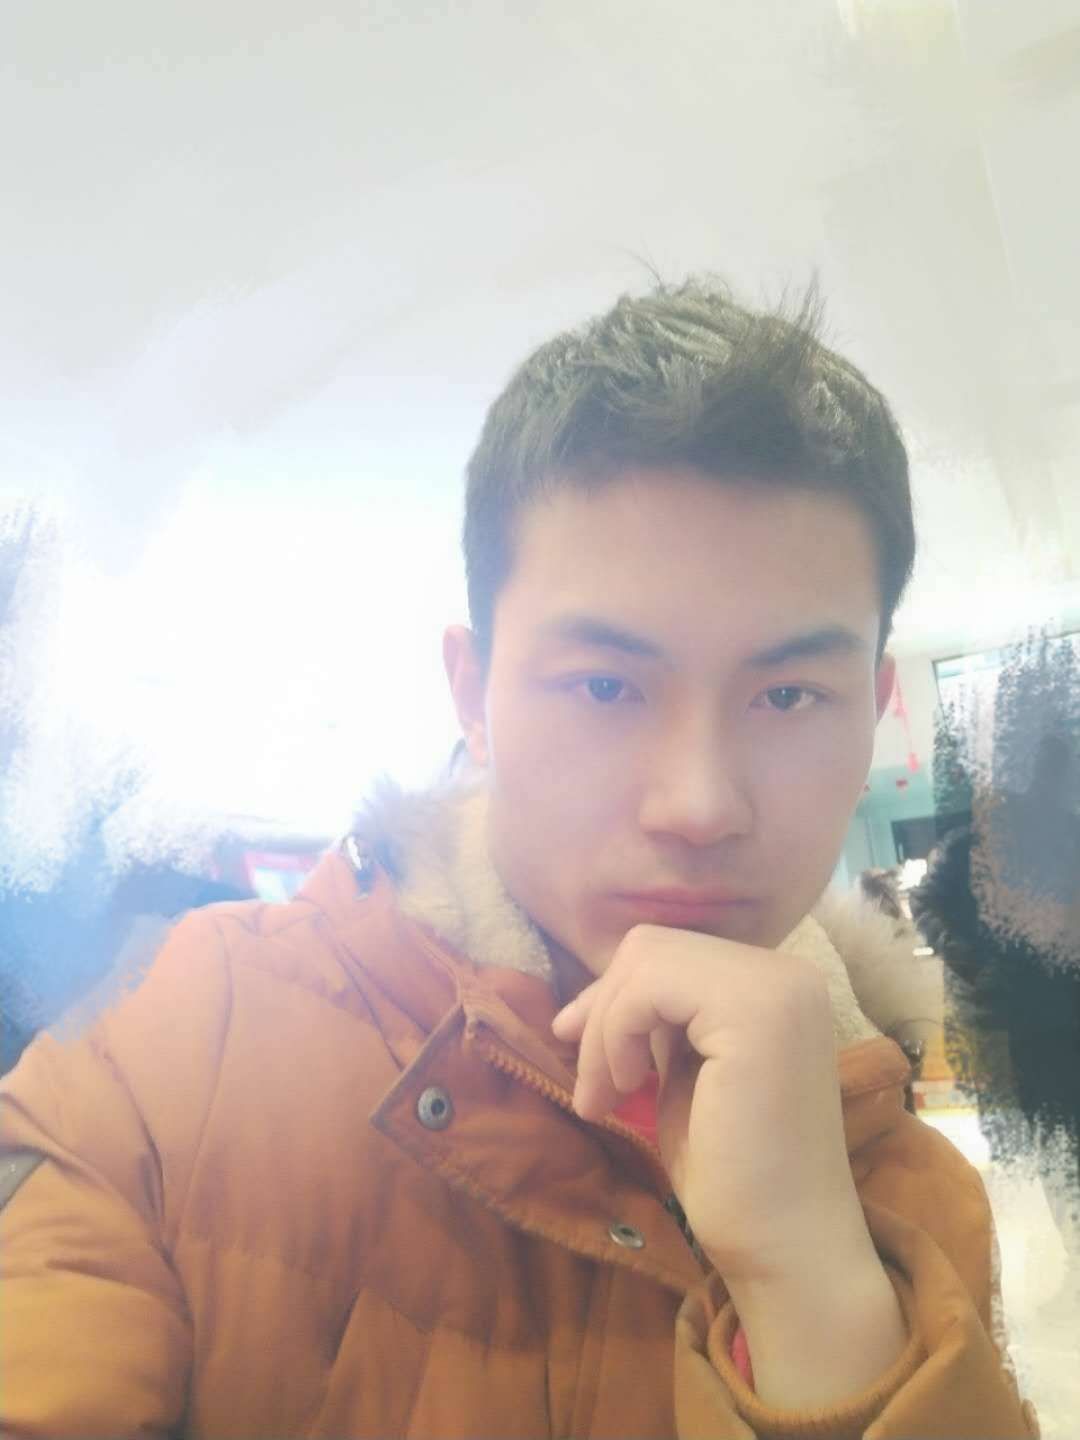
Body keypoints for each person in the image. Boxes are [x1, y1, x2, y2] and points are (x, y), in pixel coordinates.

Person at [0, 279, 1038, 1437]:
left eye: (789, 694)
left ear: (876, 710)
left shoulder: (912, 1195)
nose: (700, 805)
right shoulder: (178, 1046)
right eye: (603, 685)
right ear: (472, 697)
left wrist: (811, 1287)